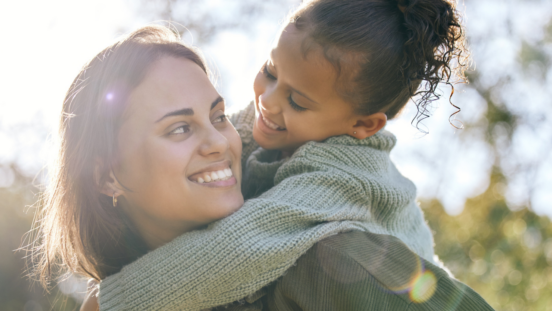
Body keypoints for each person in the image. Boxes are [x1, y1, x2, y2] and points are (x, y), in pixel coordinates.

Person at [84, 0, 489, 310]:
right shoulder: (280, 127)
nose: (268, 102)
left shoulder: (341, 177)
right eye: (271, 72)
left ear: (363, 125)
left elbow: (245, 244)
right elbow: (230, 136)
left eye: (296, 100)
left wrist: (116, 301)